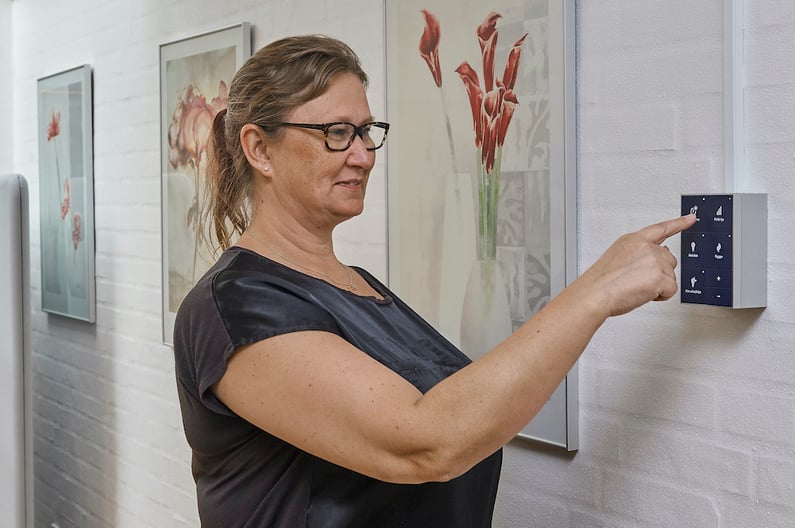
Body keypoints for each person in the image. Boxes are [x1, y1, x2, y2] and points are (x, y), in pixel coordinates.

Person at [172, 34, 696, 528]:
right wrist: (598, 291)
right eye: (336, 133)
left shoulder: (360, 284)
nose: (362, 155)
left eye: (366, 131)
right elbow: (427, 440)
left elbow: (460, 409)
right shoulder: (235, 306)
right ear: (260, 149)